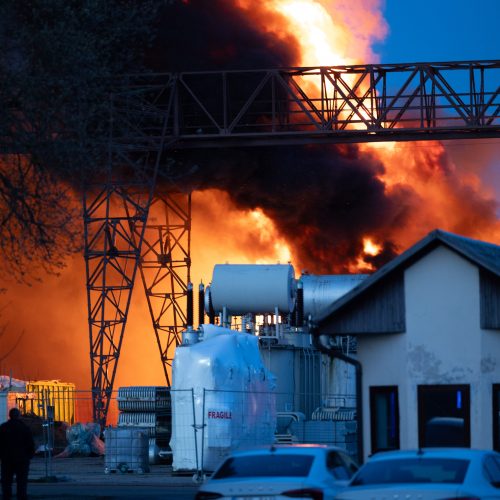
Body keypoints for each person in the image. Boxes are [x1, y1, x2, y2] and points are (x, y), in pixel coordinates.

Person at [0, 408, 35, 500]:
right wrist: (29, 456)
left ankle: (6, 497)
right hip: (22, 459)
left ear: (10, 416)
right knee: (22, 482)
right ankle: (21, 497)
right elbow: (30, 444)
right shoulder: (24, 428)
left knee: (6, 481)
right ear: (19, 416)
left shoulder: (3, 427)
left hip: (7, 459)